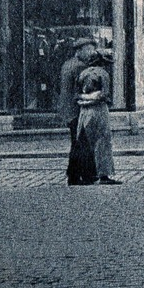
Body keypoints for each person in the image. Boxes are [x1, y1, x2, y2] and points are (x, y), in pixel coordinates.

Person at [73, 54, 119, 185]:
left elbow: (76, 95)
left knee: (85, 142)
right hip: (98, 109)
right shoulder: (103, 74)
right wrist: (94, 96)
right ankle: (104, 175)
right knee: (102, 141)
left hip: (83, 111)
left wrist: (84, 97)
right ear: (103, 63)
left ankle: (87, 175)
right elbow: (104, 94)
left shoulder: (83, 74)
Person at [59, 37, 98, 184]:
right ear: (79, 51)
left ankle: (73, 175)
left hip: (68, 109)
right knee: (84, 142)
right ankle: (87, 175)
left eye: (92, 50)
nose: (91, 53)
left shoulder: (67, 64)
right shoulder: (80, 67)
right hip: (77, 110)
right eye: (88, 50)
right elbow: (87, 88)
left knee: (77, 142)